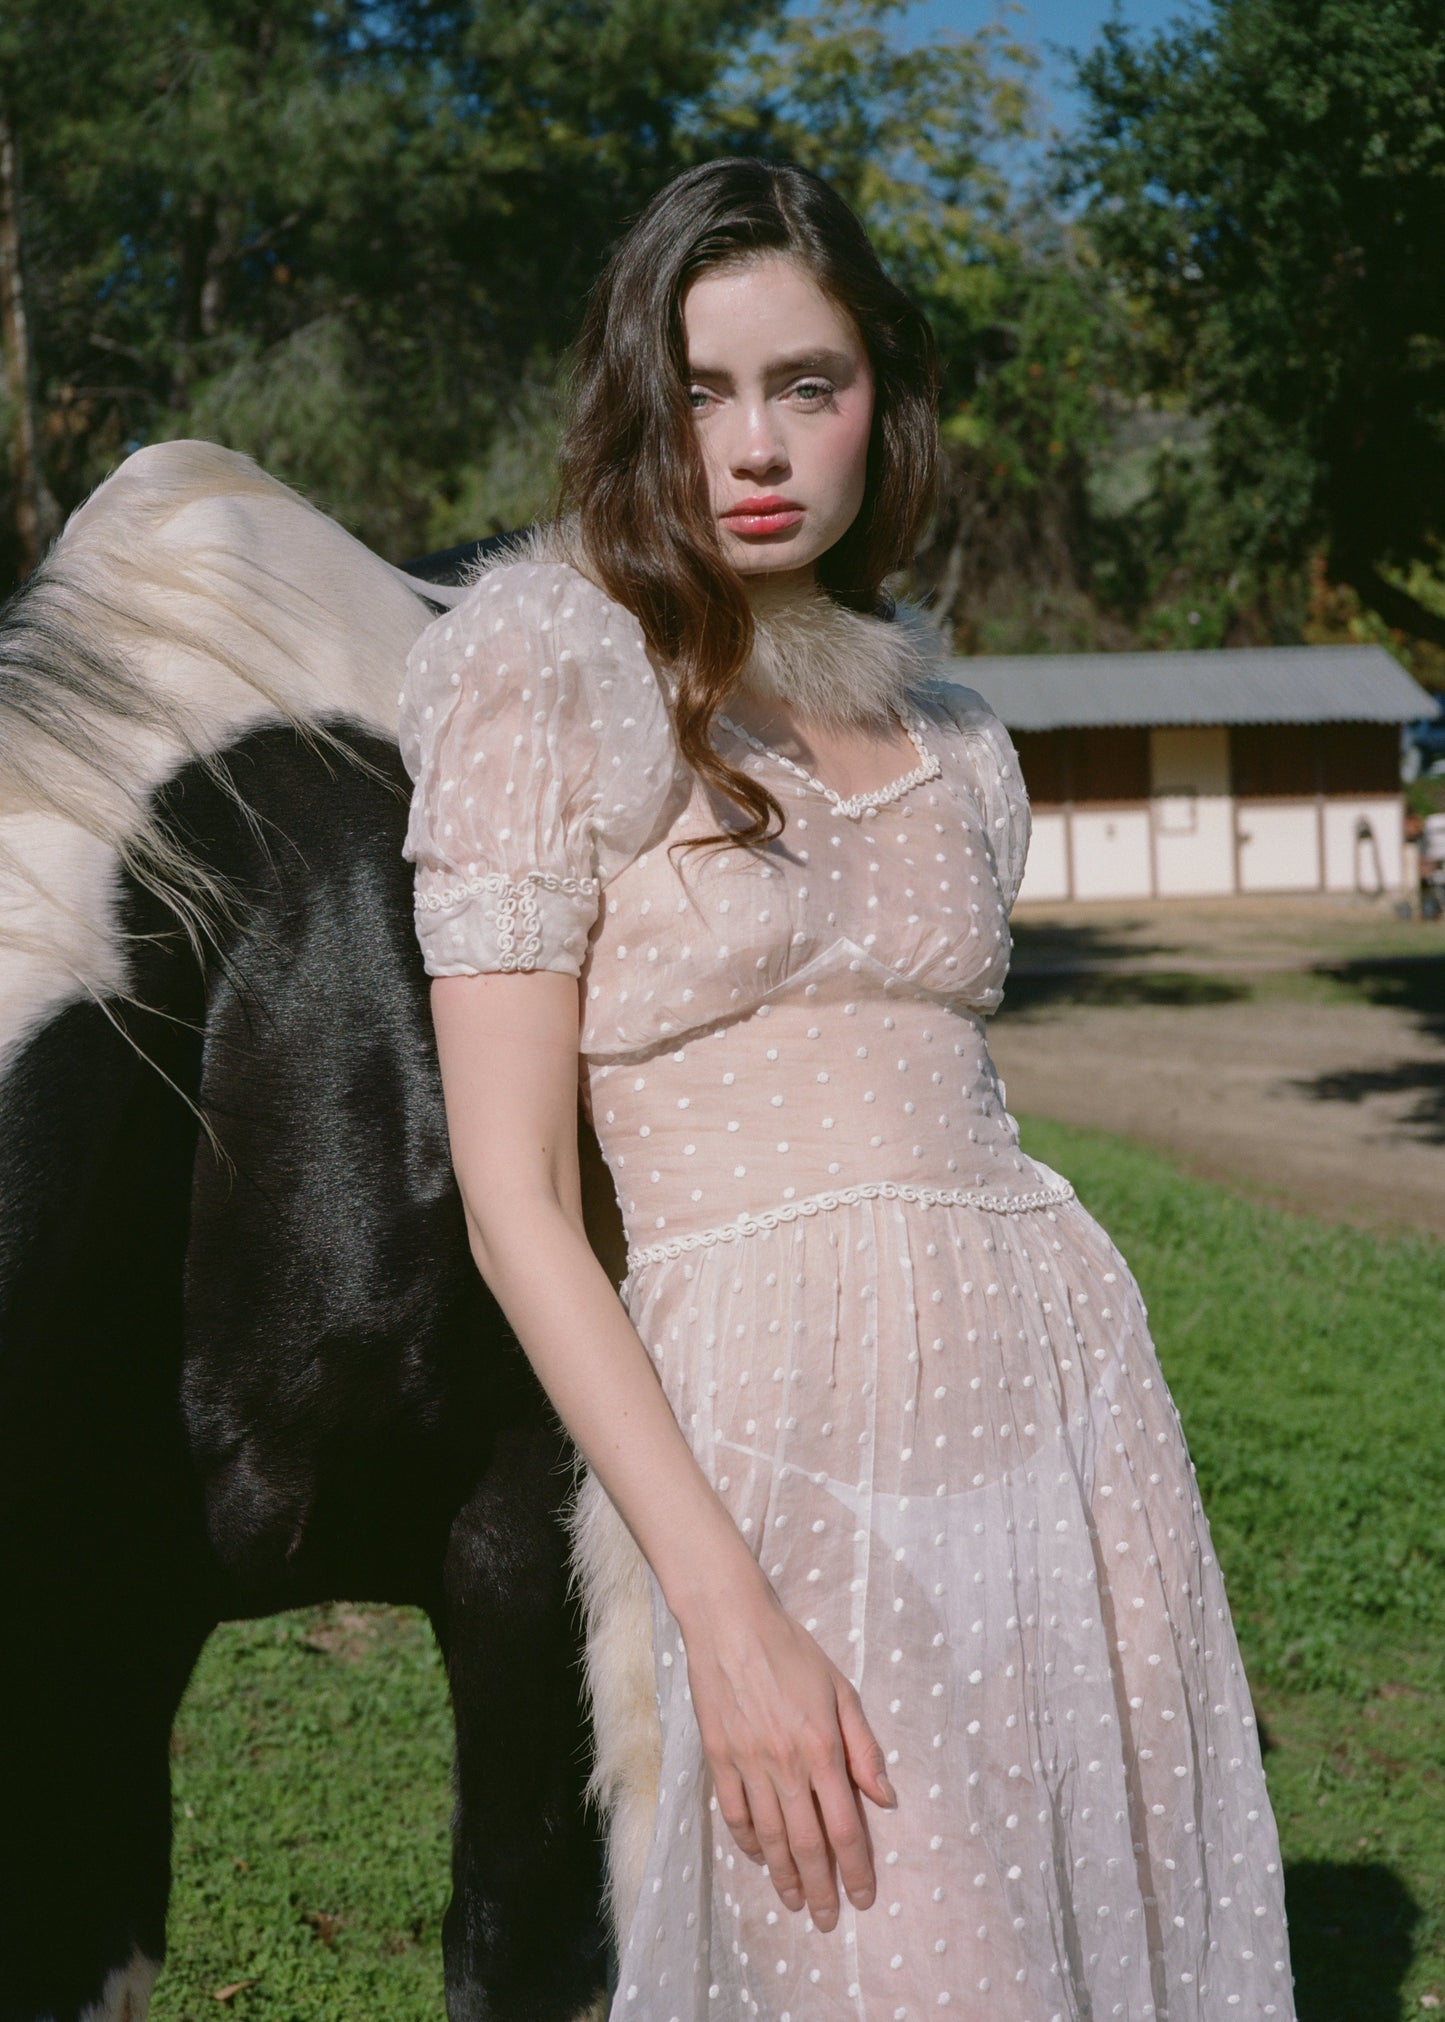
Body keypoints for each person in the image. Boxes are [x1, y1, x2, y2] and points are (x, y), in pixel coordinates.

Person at [399, 157, 1296, 2021]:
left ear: (878, 395)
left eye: (806, 385)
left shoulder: (952, 734)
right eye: (701, 390)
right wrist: (716, 1611)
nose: (755, 444)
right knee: (879, 1953)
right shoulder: (545, 672)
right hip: (772, 1443)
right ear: (633, 404)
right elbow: (512, 1201)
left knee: (1071, 1943)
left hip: (1055, 1413)